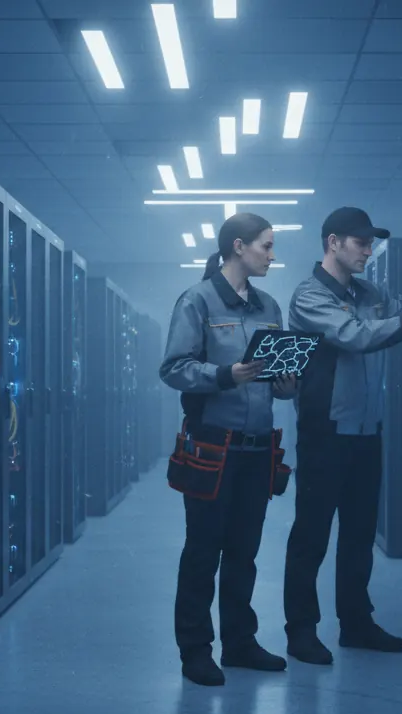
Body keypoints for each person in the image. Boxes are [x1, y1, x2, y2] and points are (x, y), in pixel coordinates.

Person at [282, 206, 402, 665]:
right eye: (361, 242)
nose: (369, 250)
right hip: (326, 432)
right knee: (311, 535)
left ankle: (356, 623)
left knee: (358, 533)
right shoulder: (310, 297)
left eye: (371, 242)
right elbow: (355, 336)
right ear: (333, 242)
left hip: (367, 432)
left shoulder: (370, 291)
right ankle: (301, 630)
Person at [158, 212, 299, 686]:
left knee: (244, 552)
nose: (272, 256)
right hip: (212, 450)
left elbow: (279, 389)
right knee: (203, 552)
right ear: (238, 247)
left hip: (258, 451)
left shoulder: (269, 307)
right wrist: (224, 375)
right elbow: (175, 368)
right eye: (266, 246)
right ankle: (195, 650)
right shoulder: (197, 301)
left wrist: (286, 381)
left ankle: (240, 643)